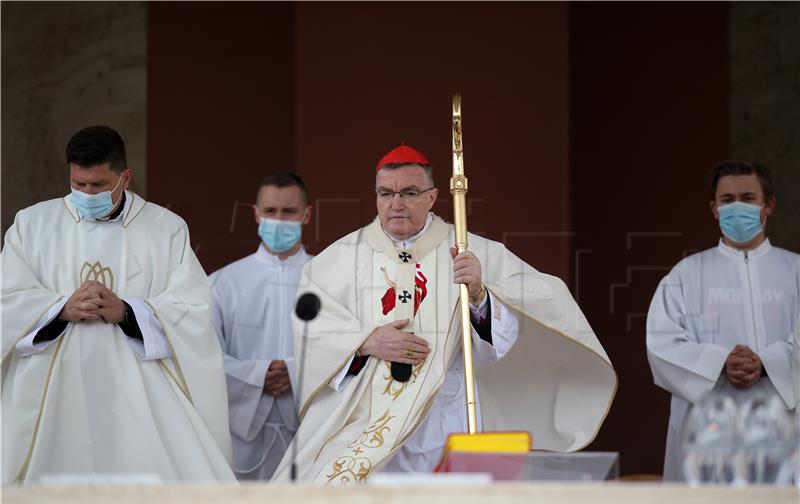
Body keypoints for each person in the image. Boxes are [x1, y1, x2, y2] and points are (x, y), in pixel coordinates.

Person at [273, 144, 617, 484]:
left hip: (445, 413)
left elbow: (535, 305)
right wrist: (367, 341)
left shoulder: (471, 250)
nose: (396, 204)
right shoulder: (339, 259)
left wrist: (481, 295)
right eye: (385, 193)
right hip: (364, 415)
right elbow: (311, 330)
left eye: (409, 192)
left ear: (432, 197)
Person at [1, 126, 234, 483]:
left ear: (125, 177)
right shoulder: (32, 225)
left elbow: (194, 309)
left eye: (97, 185)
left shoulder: (166, 229)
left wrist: (127, 311)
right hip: (56, 386)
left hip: (138, 387)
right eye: (78, 184)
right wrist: (61, 307)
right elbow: (7, 297)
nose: (86, 194)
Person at [646, 160, 799, 482]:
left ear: (768, 205)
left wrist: (767, 362)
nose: (737, 207)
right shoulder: (686, 275)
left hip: (785, 420)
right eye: (728, 200)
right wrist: (721, 362)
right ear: (714, 209)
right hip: (708, 427)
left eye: (748, 197)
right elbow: (661, 344)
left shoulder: (795, 271)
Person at [210, 172, 313, 480]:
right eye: (270, 211)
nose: (278, 220)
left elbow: (345, 351)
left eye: (289, 211)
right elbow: (202, 358)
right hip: (241, 436)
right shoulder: (222, 282)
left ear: (307, 215)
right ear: (256, 213)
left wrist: (294, 372)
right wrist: (259, 376)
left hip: (308, 431)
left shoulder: (329, 280)